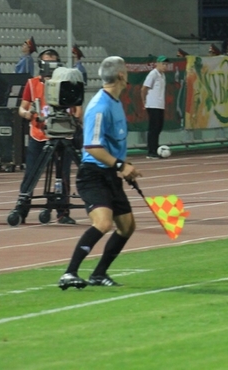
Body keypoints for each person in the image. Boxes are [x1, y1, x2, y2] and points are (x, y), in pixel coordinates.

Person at [58, 56, 142, 289]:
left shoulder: (114, 102)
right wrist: (120, 166)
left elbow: (111, 143)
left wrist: (123, 166)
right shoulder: (100, 106)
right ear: (121, 75)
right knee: (104, 223)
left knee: (127, 227)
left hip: (110, 174)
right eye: (126, 71)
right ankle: (69, 273)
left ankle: (98, 274)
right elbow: (92, 147)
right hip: (93, 175)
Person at [16, 49, 80, 225]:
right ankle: (21, 210)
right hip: (39, 135)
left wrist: (74, 119)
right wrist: (27, 114)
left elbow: (77, 108)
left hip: (62, 134)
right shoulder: (32, 83)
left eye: (54, 62)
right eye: (47, 63)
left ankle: (62, 212)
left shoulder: (67, 83)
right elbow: (22, 107)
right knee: (31, 174)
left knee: (62, 175)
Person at [142, 56, 168, 160]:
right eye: (163, 64)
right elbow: (144, 88)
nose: (165, 66)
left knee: (158, 127)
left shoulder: (163, 75)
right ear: (157, 64)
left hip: (160, 105)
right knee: (153, 128)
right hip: (152, 105)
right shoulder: (153, 74)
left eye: (166, 64)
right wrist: (144, 101)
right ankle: (151, 151)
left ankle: (156, 148)